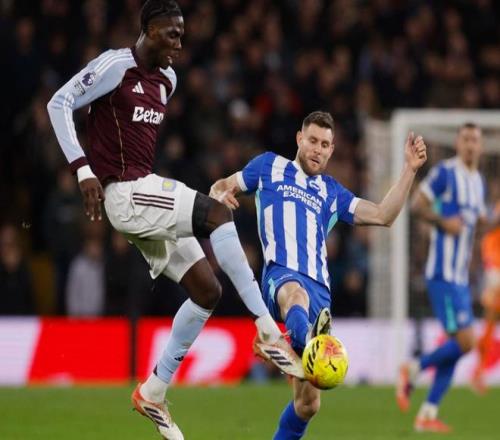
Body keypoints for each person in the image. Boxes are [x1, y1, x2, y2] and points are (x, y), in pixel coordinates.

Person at [46, 1, 301, 438]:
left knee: (207, 291)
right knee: (217, 213)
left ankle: (153, 391)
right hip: (125, 194)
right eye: (172, 34)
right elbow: (59, 102)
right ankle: (267, 329)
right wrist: (83, 169)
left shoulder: (168, 81)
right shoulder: (115, 66)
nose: (179, 44)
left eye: (182, 35)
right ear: (148, 29)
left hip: (144, 197)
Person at [210, 110, 427, 440]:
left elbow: (383, 215)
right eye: (312, 141)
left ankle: (292, 346)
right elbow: (221, 185)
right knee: (295, 295)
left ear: (332, 150)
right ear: (300, 139)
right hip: (282, 276)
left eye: (325, 145)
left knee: (308, 405)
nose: (317, 149)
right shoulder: (269, 166)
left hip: (320, 296)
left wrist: (410, 170)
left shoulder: (331, 192)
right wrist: (220, 194)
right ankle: (280, 341)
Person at [397, 123, 488, 433]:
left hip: (460, 277)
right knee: (466, 341)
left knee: (458, 345)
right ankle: (413, 368)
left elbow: (478, 223)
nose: (470, 145)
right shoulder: (446, 174)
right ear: (458, 143)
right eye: (465, 139)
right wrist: (442, 221)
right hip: (441, 273)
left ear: (481, 146)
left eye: (475, 140)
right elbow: (417, 205)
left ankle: (427, 413)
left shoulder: (479, 182)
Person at [471, 203, 500, 394]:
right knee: (490, 321)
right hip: (495, 263)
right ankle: (479, 371)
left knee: (489, 324)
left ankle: (479, 371)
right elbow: (491, 224)